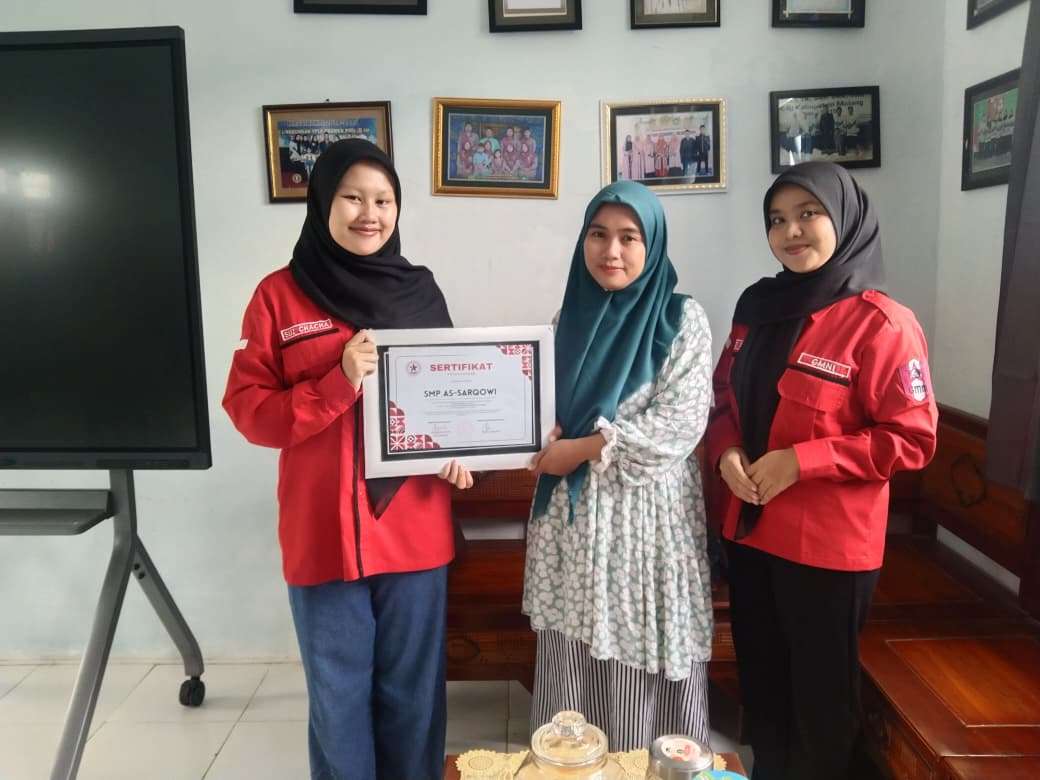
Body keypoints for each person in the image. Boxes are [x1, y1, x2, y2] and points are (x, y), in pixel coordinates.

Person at [223, 139, 474, 780]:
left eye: (384, 200)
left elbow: (449, 396)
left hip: (414, 530)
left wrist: (458, 451)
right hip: (323, 536)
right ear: (322, 203)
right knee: (338, 703)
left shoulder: (420, 290)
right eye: (353, 197)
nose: (370, 213)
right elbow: (249, 411)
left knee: (413, 699)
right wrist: (336, 382)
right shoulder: (279, 296)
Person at [704, 161, 938, 779]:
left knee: (821, 703)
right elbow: (724, 398)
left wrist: (803, 462)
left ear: (845, 218)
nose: (791, 231)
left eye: (809, 213)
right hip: (750, 532)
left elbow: (912, 439)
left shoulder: (882, 323)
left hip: (827, 549)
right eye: (777, 219)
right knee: (764, 686)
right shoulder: (757, 307)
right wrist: (726, 452)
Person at [524, 179, 715, 751]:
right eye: (598, 234)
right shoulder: (566, 320)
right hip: (574, 527)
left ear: (652, 244)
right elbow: (543, 408)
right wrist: (540, 432)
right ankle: (572, 758)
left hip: (645, 528)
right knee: (574, 640)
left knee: (635, 639)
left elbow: (677, 427)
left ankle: (642, 756)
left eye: (629, 237)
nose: (611, 251)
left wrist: (581, 450)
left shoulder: (681, 320)